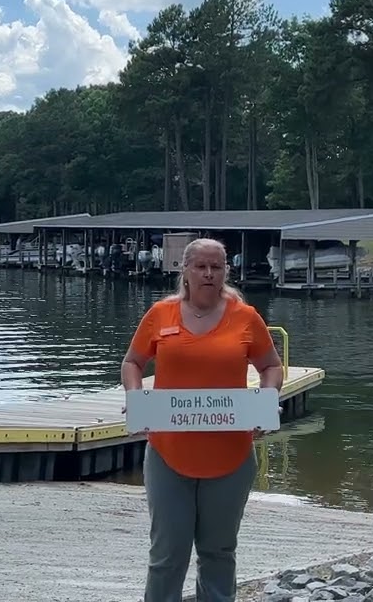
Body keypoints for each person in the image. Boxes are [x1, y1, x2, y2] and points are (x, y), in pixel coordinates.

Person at [120, 237, 284, 602]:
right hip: (168, 454)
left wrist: (267, 400)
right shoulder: (161, 314)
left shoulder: (246, 317)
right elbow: (132, 362)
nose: (209, 273)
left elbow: (271, 366)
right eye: (201, 266)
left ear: (226, 270)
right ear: (186, 270)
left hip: (231, 457)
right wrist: (135, 397)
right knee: (167, 556)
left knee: (218, 552)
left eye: (217, 267)